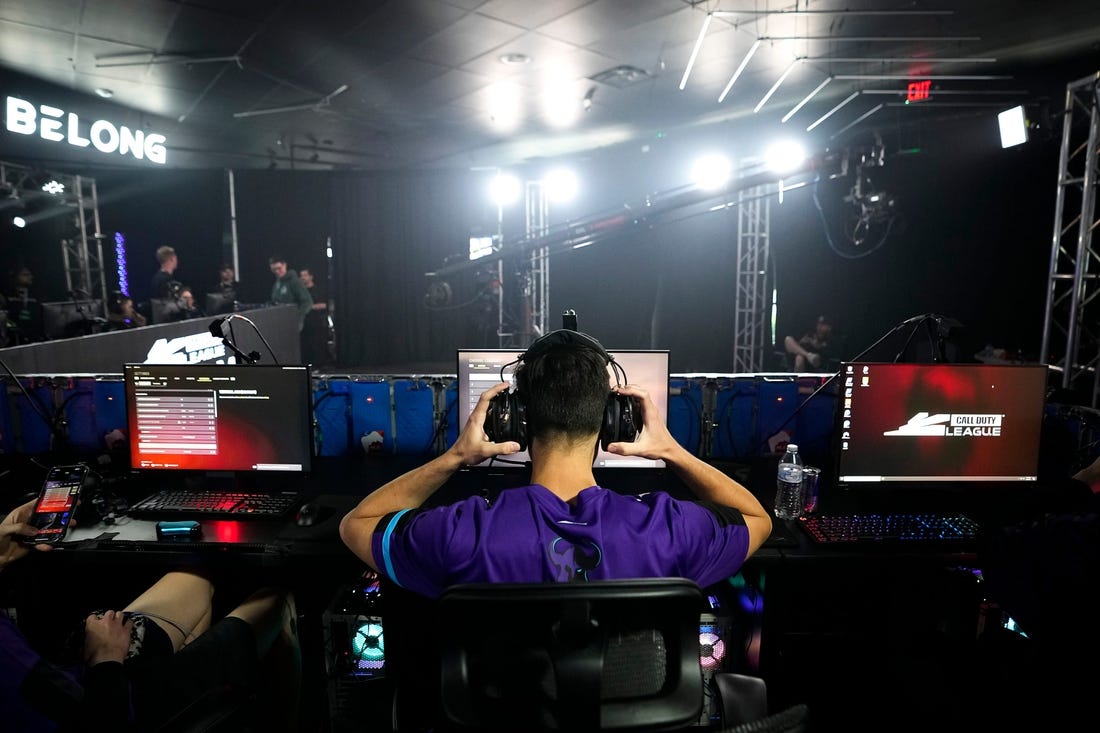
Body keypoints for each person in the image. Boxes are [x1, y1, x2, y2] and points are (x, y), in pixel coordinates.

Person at [339, 330, 773, 600]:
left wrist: (456, 458)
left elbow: (358, 523)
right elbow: (757, 517)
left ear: (516, 422)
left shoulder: (461, 531)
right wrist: (671, 451)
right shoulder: (669, 527)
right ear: (613, 423)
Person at [0, 498, 301, 731]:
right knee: (277, 597)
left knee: (196, 573)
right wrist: (105, 658)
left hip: (87, 669)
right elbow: (97, 724)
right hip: (113, 700)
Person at [268, 254, 313, 332]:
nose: (277, 271)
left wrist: (297, 316)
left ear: (284, 265)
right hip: (279, 322)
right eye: (274, 269)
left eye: (279, 268)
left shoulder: (294, 281)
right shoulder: (277, 283)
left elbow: (307, 302)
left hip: (292, 324)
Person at [298, 266, 330, 367]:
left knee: (316, 344)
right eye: (301, 276)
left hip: (316, 322)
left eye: (305, 275)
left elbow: (325, 305)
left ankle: (319, 366)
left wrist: (309, 306)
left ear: (311, 276)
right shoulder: (299, 292)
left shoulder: (318, 290)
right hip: (303, 323)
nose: (303, 278)